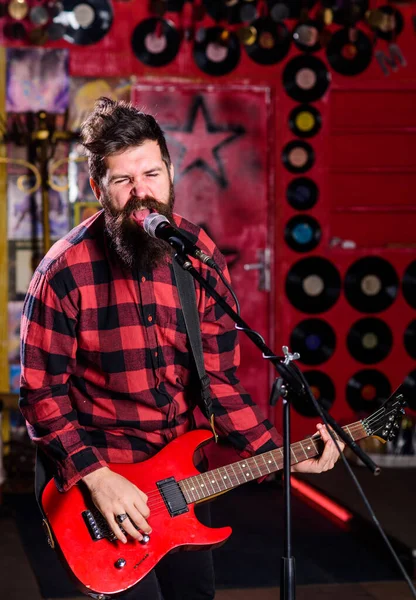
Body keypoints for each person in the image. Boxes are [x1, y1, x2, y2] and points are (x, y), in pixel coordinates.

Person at [19, 98, 344, 600]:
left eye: (151, 173)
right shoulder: (63, 272)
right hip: (105, 488)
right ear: (96, 189)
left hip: (184, 481)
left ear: (170, 172)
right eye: (123, 181)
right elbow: (40, 393)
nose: (140, 193)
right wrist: (95, 477)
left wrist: (282, 456)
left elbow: (217, 383)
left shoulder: (199, 255)